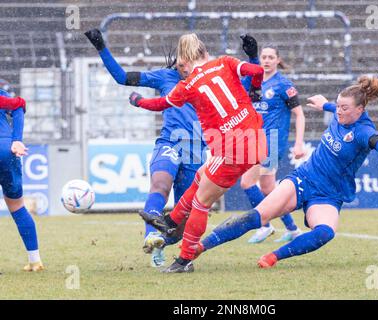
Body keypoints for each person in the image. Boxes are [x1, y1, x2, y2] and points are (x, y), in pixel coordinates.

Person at [195, 76, 378, 269]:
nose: (339, 111)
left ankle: (273, 257)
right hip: (303, 179)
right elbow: (332, 107)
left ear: (360, 110)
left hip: (329, 194)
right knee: (257, 217)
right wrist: (324, 104)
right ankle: (200, 247)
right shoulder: (341, 114)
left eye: (344, 108)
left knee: (325, 232)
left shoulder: (364, 131)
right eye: (338, 106)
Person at [129, 33, 267, 273]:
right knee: (201, 175)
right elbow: (256, 71)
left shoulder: (189, 85)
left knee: (201, 203)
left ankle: (184, 260)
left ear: (185, 61)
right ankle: (170, 221)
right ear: (205, 53)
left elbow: (160, 104)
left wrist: (138, 101)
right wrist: (255, 90)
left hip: (231, 148)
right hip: (256, 140)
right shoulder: (226, 62)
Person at [84, 29, 207, 267]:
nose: (186, 68)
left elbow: (246, 88)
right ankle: (150, 234)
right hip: (170, 143)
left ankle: (160, 241)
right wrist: (101, 47)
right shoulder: (164, 77)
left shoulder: (209, 79)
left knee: (182, 225)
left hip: (196, 151)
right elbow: (122, 77)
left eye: (191, 63)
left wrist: (253, 59)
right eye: (183, 63)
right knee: (160, 185)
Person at [239, 35, 306, 244]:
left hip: (271, 142)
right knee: (268, 189)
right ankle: (294, 230)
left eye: (270, 57)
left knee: (247, 182)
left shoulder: (283, 84)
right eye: (263, 57)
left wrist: (298, 143)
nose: (266, 60)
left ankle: (264, 225)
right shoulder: (254, 81)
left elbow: (300, 114)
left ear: (278, 60)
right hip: (255, 140)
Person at [0, 88, 44, 272]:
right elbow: (19, 106)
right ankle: (35, 261)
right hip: (7, 149)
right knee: (17, 206)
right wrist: (16, 139)